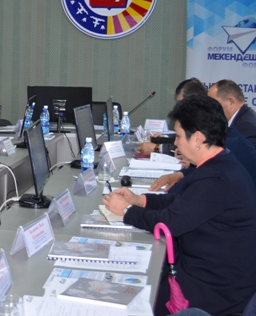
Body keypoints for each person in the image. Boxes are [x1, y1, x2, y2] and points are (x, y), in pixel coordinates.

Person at [102, 95, 256, 316]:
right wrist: (140, 200)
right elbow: (182, 202)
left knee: (132, 297)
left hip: (216, 287)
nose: (175, 143)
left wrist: (127, 212)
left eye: (179, 136)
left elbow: (170, 222)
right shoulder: (218, 164)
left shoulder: (217, 178)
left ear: (198, 139)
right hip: (209, 271)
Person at [136, 78, 207, 154]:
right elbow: (183, 138)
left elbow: (189, 147)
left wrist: (157, 147)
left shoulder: (204, 119)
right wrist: (164, 139)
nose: (179, 107)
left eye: (181, 102)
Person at [208, 79, 256, 149]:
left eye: (213, 104)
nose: (210, 109)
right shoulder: (244, 118)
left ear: (231, 102)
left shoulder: (247, 128)